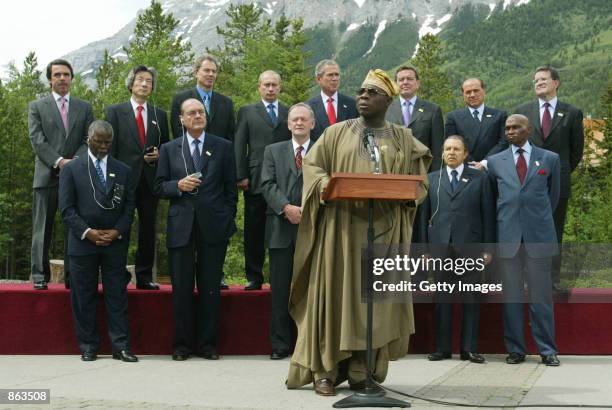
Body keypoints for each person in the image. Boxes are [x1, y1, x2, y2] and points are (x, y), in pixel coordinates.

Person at [286, 69, 431, 396]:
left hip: (384, 232)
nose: (362, 96)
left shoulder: (402, 137)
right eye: (361, 91)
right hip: (340, 233)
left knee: (375, 303)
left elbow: (419, 176)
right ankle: (324, 370)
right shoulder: (337, 132)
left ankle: (361, 371)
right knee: (333, 298)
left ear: (387, 101)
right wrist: (326, 185)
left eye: (371, 93)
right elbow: (313, 167)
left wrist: (410, 194)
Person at [155, 98, 237, 361]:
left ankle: (208, 345)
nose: (197, 116)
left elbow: (230, 190)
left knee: (210, 287)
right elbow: (158, 187)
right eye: (192, 113)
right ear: (181, 119)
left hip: (213, 225)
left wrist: (226, 218)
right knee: (181, 289)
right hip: (181, 226)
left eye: (201, 112)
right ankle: (181, 345)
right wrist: (177, 186)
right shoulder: (169, 149)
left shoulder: (223, 147)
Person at [59, 120, 137, 362]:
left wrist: (117, 231)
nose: (103, 146)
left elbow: (129, 207)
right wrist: (88, 232)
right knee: (83, 296)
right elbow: (67, 209)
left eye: (108, 142)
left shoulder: (123, 170)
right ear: (88, 140)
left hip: (115, 242)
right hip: (83, 243)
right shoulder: (72, 169)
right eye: (99, 141)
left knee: (117, 295)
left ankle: (120, 346)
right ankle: (88, 345)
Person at [487, 114, 561, 367]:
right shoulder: (495, 162)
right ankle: (516, 349)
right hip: (508, 239)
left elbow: (554, 197)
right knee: (512, 298)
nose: (510, 131)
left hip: (539, 238)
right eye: (507, 128)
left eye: (515, 127)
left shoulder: (549, 159)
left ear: (528, 129)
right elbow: (493, 200)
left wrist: (535, 222)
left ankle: (547, 350)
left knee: (541, 297)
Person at [416, 135, 495, 364]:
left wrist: (488, 249)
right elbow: (422, 219)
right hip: (440, 250)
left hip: (471, 249)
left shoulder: (480, 179)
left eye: (456, 149)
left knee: (471, 299)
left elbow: (488, 215)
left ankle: (469, 349)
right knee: (442, 300)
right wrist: (424, 251)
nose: (451, 152)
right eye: (447, 149)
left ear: (465, 153)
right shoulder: (432, 179)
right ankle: (442, 348)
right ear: (442, 153)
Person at [514, 65, 584, 290]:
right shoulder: (523, 111)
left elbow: (576, 152)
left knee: (554, 231)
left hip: (558, 183)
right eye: (536, 80)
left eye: (543, 79)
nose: (538, 83)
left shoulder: (572, 113)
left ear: (556, 82)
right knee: (528, 230)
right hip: (528, 183)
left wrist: (559, 173)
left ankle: (552, 280)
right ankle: (526, 279)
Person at [170, 54, 236, 290]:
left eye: (214, 71)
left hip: (217, 176)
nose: (210, 74)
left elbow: (231, 137)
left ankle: (216, 274)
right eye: (206, 70)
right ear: (196, 72)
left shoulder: (225, 103)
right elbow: (176, 138)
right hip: (187, 177)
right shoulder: (181, 98)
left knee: (215, 236)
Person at [29, 58, 94, 290]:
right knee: (42, 228)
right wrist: (59, 161)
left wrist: (74, 162)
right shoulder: (37, 106)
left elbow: (89, 139)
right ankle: (39, 275)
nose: (62, 78)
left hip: (76, 177)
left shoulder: (84, 107)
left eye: (66, 74)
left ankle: (71, 276)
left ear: (72, 78)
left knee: (74, 229)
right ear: (50, 79)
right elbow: (37, 140)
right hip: (46, 176)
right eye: (57, 75)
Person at [105, 65, 169, 290]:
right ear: (131, 84)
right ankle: (117, 274)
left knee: (148, 229)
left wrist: (160, 155)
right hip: (122, 180)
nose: (144, 84)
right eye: (140, 80)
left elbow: (166, 147)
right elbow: (108, 147)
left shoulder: (160, 115)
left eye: (149, 81)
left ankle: (144, 276)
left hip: (150, 180)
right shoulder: (114, 111)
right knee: (120, 227)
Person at [260, 103, 313, 361]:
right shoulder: (273, 151)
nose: (299, 123)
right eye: (295, 119)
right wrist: (286, 208)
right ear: (289, 124)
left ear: (312, 123)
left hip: (313, 228)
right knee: (280, 290)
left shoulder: (323, 151)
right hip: (281, 228)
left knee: (312, 290)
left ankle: (310, 343)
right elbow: (266, 184)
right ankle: (280, 344)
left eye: (304, 119)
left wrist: (308, 210)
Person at [234, 70, 291, 290]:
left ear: (280, 87)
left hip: (283, 180)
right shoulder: (247, 111)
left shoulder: (289, 112)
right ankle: (254, 276)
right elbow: (239, 144)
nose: (270, 88)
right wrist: (241, 175)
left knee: (280, 229)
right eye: (266, 85)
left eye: (274, 85)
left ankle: (281, 276)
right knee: (254, 229)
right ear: (259, 87)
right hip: (255, 179)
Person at [386, 65, 444, 170]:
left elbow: (438, 149)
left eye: (409, 79)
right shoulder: (386, 110)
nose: (405, 82)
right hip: (394, 170)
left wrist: (436, 177)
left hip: (423, 170)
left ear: (418, 83)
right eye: (401, 80)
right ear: (396, 84)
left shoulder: (433, 110)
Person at [445, 78, 507, 170]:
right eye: (468, 92)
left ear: (484, 91)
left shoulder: (499, 115)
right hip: (464, 168)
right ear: (463, 95)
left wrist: (485, 163)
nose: (472, 95)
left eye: (476, 91)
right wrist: (472, 164)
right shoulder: (453, 117)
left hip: (492, 168)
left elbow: (503, 143)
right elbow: (451, 144)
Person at [305, 59, 358, 142]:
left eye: (337, 75)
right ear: (319, 79)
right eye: (330, 75)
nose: (335, 79)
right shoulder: (308, 107)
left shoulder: (352, 105)